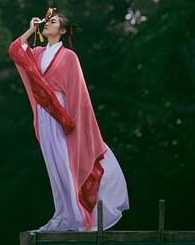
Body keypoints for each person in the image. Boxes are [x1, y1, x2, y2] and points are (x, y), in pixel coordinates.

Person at [9, 12, 129, 231]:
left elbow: (78, 94)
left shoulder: (69, 56)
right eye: (47, 22)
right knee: (53, 166)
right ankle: (60, 214)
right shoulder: (36, 53)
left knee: (66, 164)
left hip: (62, 113)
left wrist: (71, 121)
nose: (47, 24)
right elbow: (15, 50)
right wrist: (30, 30)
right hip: (44, 113)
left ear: (62, 31)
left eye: (52, 22)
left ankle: (76, 216)